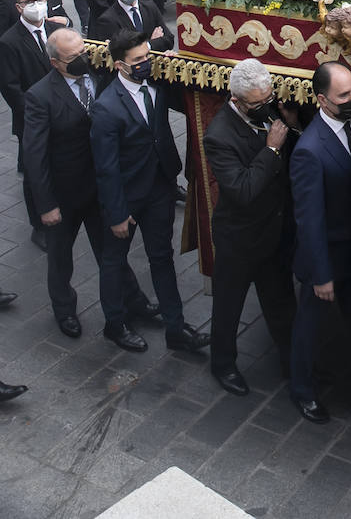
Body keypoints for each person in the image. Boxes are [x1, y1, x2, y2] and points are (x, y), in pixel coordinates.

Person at [22, 28, 156, 339]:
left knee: (112, 252)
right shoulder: (40, 97)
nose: (84, 59)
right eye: (74, 57)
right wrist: (46, 205)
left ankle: (134, 301)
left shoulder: (99, 74)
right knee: (60, 258)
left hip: (99, 188)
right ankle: (65, 310)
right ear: (56, 63)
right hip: (64, 195)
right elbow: (35, 156)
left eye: (85, 51)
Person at [90, 30, 210, 354]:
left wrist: (174, 68)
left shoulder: (157, 83)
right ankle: (114, 324)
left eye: (147, 56)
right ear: (120, 65)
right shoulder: (106, 107)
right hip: (127, 196)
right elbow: (106, 167)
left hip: (159, 187)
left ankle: (175, 326)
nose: (146, 63)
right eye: (138, 60)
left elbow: (185, 102)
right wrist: (116, 213)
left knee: (162, 257)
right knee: (114, 261)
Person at [203, 58, 297, 396]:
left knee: (282, 303)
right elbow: (242, 190)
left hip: (272, 233)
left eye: (268, 99)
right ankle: (223, 364)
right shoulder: (219, 135)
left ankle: (293, 363)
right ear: (238, 100)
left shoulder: (269, 113)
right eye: (258, 103)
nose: (265, 106)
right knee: (229, 307)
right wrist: (272, 149)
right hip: (239, 239)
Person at [289, 60, 351, 423]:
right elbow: (309, 220)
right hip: (326, 255)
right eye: (344, 95)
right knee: (310, 325)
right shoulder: (309, 150)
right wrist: (321, 275)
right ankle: (302, 390)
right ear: (322, 101)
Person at [0, 0, 66, 245]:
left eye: (40, 0)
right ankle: (38, 225)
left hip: (62, 113)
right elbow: (11, 88)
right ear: (19, 7)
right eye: (30, 2)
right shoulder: (9, 41)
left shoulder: (54, 30)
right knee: (34, 170)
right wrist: (38, 114)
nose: (36, 6)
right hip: (32, 119)